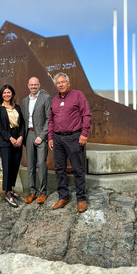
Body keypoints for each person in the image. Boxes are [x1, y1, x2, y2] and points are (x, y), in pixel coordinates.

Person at [48, 72, 91, 213]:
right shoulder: (54, 100)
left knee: (77, 169)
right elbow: (51, 120)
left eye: (63, 82)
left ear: (68, 83)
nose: (60, 84)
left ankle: (81, 199)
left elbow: (86, 115)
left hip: (74, 137)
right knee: (60, 169)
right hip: (58, 139)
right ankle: (63, 196)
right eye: (58, 83)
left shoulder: (78, 95)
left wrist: (84, 134)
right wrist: (50, 137)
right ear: (56, 85)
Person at [0, 85, 25, 207]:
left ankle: (11, 188)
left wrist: (21, 137)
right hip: (6, 139)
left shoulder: (16, 107)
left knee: (15, 165)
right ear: (1, 94)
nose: (7, 94)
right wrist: (10, 138)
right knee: (7, 166)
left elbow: (22, 123)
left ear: (12, 94)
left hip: (18, 137)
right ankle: (7, 192)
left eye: (9, 92)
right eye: (4, 92)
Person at [22, 77, 52, 204]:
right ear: (28, 86)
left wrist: (42, 135)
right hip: (29, 134)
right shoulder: (25, 100)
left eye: (35, 84)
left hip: (40, 135)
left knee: (41, 163)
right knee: (30, 165)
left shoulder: (46, 98)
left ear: (39, 85)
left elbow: (49, 119)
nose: (33, 86)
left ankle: (43, 192)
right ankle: (32, 192)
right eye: (31, 85)